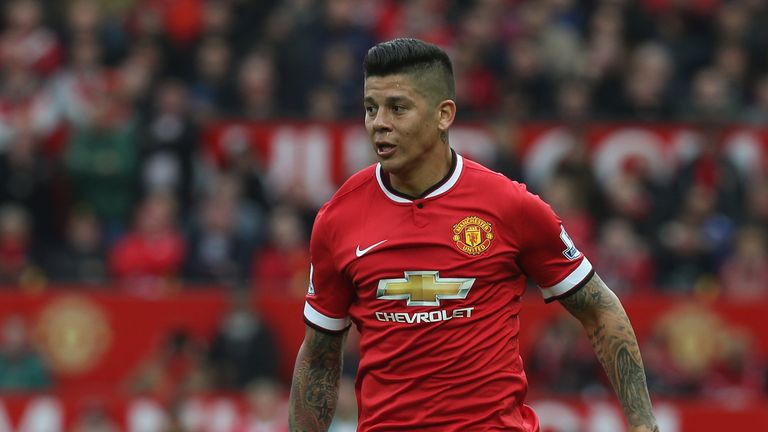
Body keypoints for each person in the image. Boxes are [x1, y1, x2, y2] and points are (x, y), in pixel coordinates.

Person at [288, 38, 659, 432]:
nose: (379, 122)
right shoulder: (337, 219)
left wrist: (643, 425)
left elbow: (599, 307)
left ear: (443, 114)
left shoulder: (510, 206)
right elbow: (319, 356)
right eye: (370, 108)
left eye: (398, 107)